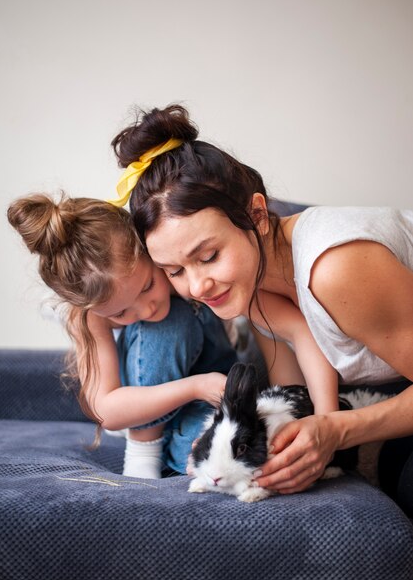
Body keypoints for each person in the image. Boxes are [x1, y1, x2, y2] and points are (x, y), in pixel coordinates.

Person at [108, 104, 413, 510]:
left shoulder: (336, 267)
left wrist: (335, 431)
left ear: (256, 214)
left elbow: (327, 420)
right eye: (174, 270)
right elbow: (291, 390)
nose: (197, 286)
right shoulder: (249, 285)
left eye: (209, 255)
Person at [7, 193, 237, 479]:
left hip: (215, 383)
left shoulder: (183, 266)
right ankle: (145, 452)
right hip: (151, 402)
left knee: (228, 443)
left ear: (148, 247)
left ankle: (184, 450)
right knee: (168, 323)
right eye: (120, 313)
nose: (147, 308)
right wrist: (195, 387)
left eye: (147, 286)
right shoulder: (88, 315)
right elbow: (108, 412)